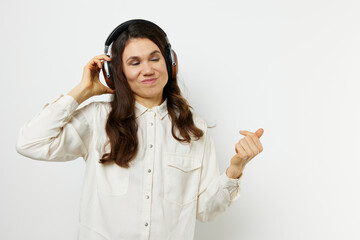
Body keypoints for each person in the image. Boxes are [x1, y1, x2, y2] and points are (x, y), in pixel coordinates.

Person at [16, 19, 264, 240]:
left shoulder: (194, 128)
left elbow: (206, 211)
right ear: (117, 72)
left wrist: (235, 169)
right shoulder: (97, 117)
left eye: (155, 58)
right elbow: (30, 143)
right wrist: (81, 92)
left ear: (170, 62)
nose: (148, 69)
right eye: (134, 63)